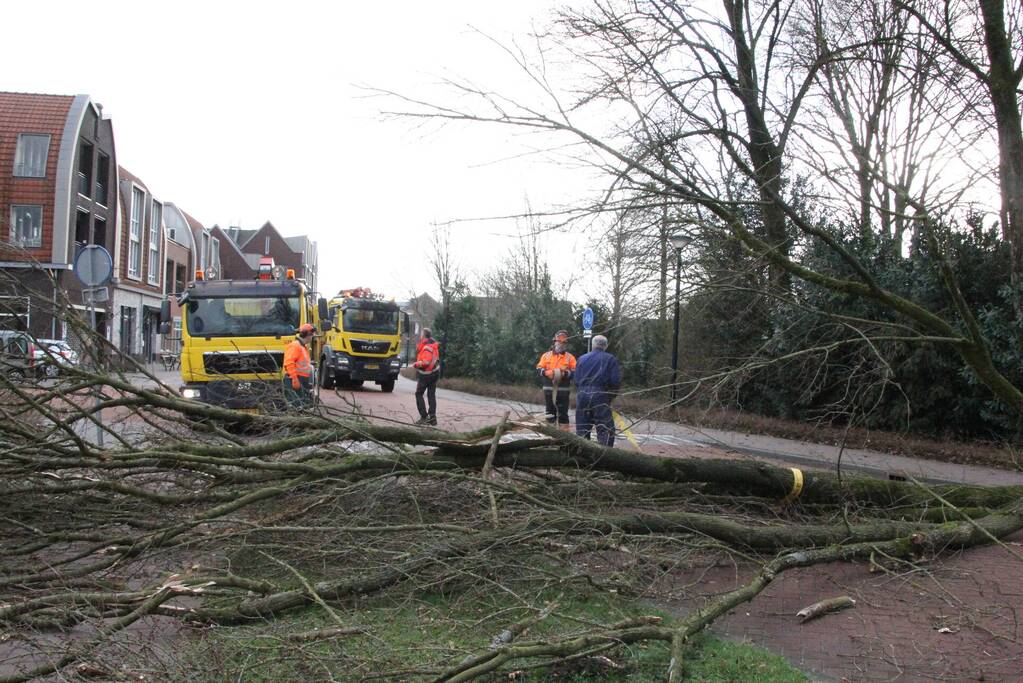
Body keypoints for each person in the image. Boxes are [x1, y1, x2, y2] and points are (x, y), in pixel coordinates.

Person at [574, 334, 622, 446]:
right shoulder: (610, 359)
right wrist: (611, 396)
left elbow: (576, 380)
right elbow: (615, 381)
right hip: (601, 395)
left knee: (582, 427)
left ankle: (582, 453)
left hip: (583, 395)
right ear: (605, 346)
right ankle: (604, 455)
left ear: (593, 345)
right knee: (605, 428)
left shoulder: (581, 359)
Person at [536, 330, 577, 430]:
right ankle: (550, 436)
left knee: (563, 414)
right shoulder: (546, 356)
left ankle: (565, 439)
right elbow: (538, 369)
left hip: (563, 392)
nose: (561, 344)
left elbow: (576, 372)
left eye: (563, 343)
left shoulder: (570, 358)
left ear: (566, 344)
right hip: (549, 391)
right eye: (559, 342)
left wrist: (565, 373)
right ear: (554, 342)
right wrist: (545, 372)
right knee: (550, 413)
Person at [283, 323, 315, 408]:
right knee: (296, 405)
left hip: (301, 379)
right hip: (295, 379)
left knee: (301, 405)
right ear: (308, 335)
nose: (312, 338)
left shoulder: (302, 347)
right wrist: (294, 379)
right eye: (312, 335)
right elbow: (289, 363)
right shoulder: (295, 346)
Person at [413, 327, 441, 425]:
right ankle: (432, 418)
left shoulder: (426, 347)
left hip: (426, 375)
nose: (420, 335)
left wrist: (416, 364)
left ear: (424, 335)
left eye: (421, 333)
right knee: (431, 395)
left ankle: (424, 417)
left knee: (418, 394)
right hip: (435, 373)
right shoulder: (433, 345)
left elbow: (426, 362)